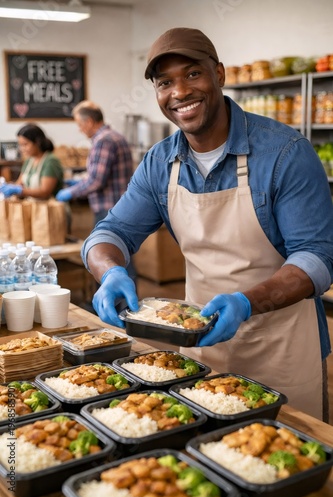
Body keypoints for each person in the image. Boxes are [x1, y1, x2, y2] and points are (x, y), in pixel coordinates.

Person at [80, 27, 333, 421]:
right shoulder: (159, 163)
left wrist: (247, 302)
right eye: (165, 82)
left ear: (219, 74)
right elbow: (109, 233)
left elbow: (317, 257)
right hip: (199, 344)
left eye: (192, 74)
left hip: (281, 345)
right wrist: (110, 271)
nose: (179, 92)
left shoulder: (284, 153)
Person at [56, 100, 134, 225]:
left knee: (107, 244)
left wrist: (72, 192)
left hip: (110, 209)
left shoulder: (104, 141)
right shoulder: (115, 136)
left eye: (80, 125)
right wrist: (80, 182)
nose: (79, 130)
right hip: (120, 207)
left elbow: (96, 181)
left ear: (89, 122)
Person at [0, 124, 63, 199]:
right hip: (33, 207)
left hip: (49, 208)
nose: (22, 149)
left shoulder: (50, 161)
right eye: (20, 145)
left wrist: (20, 191)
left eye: (25, 144)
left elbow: (45, 192)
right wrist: (9, 187)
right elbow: (19, 184)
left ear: (37, 142)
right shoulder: (29, 161)